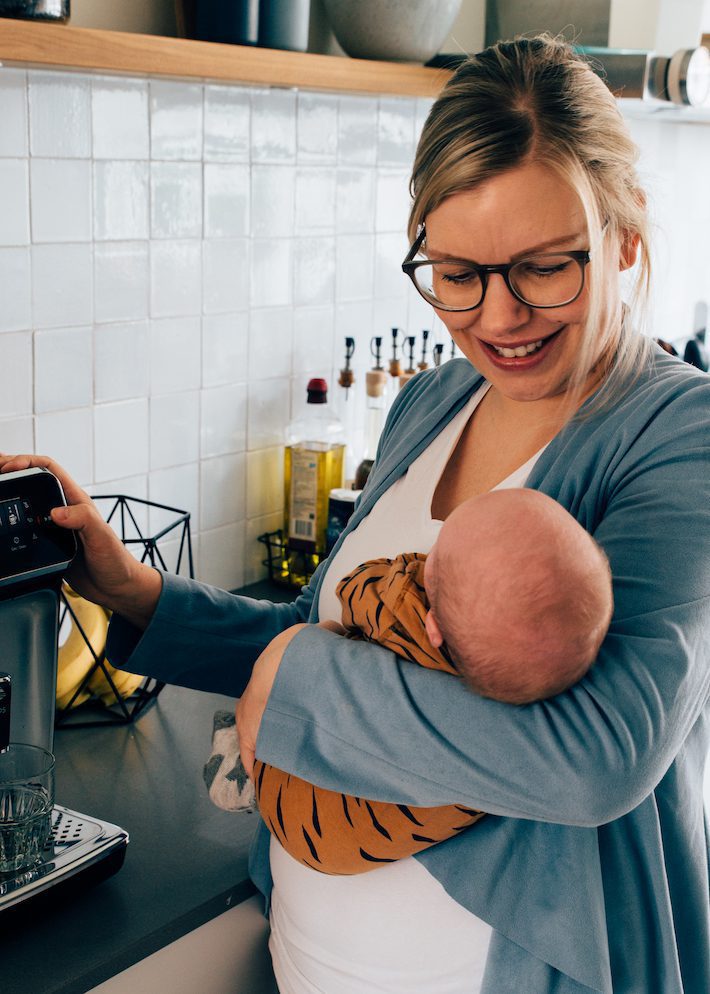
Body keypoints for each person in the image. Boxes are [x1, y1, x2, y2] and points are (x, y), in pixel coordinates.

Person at [2, 33, 709, 994]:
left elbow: (595, 756)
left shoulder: (677, 432)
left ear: (625, 240)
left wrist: (300, 681)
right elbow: (324, 629)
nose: (499, 318)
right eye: (457, 274)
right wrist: (135, 593)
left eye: (545, 268)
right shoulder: (435, 400)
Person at [208, 488, 614, 877]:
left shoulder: (407, 616)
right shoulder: (521, 696)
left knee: (275, 736)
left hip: (309, 810)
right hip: (378, 835)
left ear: (433, 627)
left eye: (438, 552)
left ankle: (245, 777)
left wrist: (312, 639)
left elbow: (356, 589)